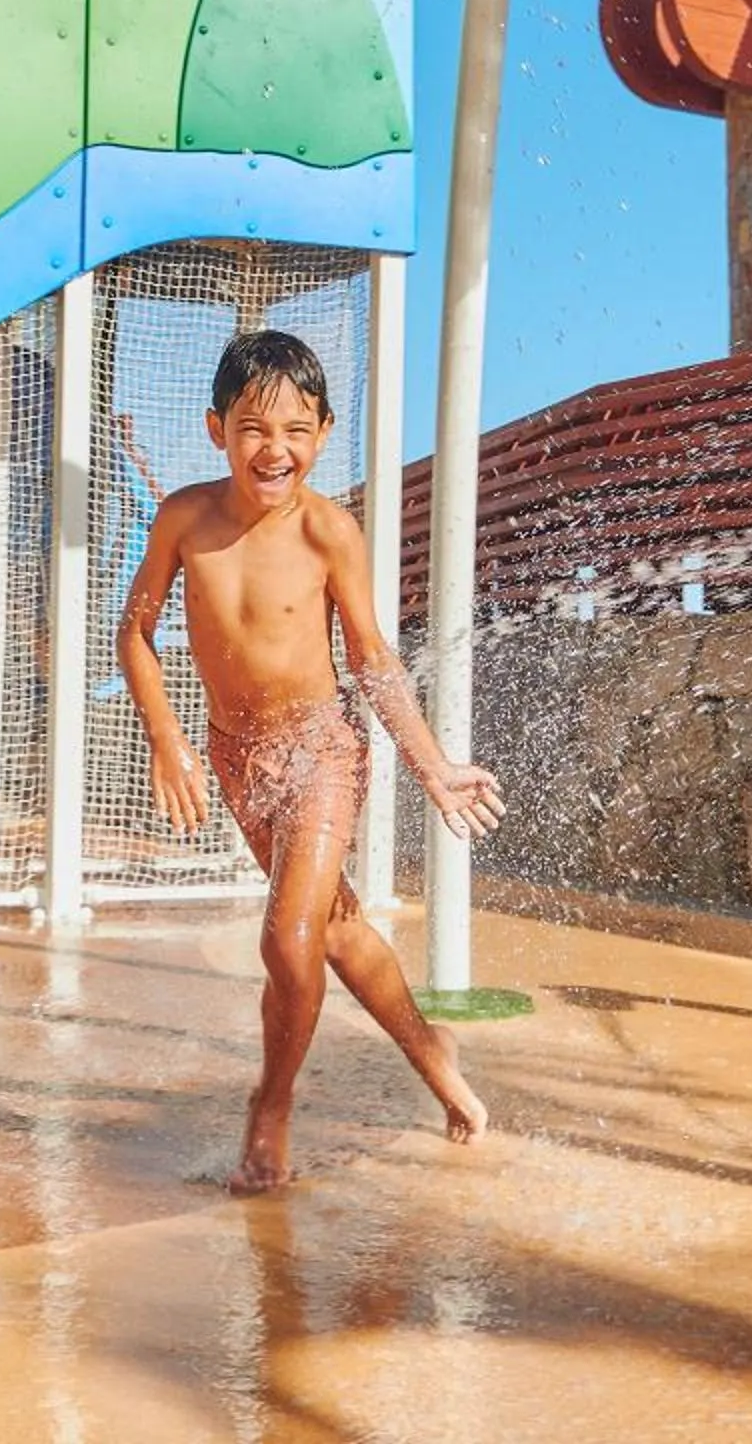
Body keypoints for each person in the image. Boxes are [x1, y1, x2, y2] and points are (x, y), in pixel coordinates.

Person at [116, 328, 506, 1193]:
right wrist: (165, 737)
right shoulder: (184, 517)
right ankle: (438, 1063)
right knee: (332, 931)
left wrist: (434, 766)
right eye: (254, 427)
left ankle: (271, 1108)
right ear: (217, 428)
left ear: (324, 433)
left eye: (296, 429)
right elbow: (136, 631)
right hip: (234, 755)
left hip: (322, 747)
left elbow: (371, 659)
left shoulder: (332, 532)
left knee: (289, 937)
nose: (275, 448)